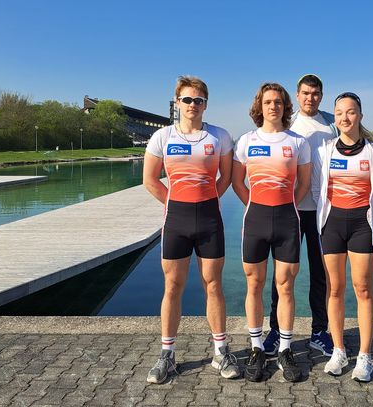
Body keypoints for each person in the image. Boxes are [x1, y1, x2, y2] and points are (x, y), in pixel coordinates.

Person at [143, 76, 239, 383]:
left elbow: (226, 177)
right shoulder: (162, 137)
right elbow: (150, 180)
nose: (192, 105)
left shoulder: (220, 136)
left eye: (198, 100)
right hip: (176, 220)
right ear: (177, 103)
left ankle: (221, 352)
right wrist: (177, 203)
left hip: (209, 218)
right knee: (173, 286)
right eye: (187, 100)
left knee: (213, 285)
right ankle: (167, 356)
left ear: (206, 104)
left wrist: (205, 201)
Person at [232, 82, 311, 382]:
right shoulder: (246, 141)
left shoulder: (298, 142)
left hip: (288, 220)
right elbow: (238, 182)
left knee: (286, 286)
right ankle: (255, 347)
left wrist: (285, 204)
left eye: (278, 101)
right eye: (268, 102)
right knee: (254, 284)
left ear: (285, 106)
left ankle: (285, 349)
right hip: (255, 219)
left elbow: (303, 184)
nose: (273, 106)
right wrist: (255, 204)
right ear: (259, 106)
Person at [313, 91, 373, 381]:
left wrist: (372, 225)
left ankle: (365, 355)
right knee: (334, 289)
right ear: (334, 117)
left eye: (350, 112)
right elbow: (316, 189)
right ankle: (338, 350)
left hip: (362, 225)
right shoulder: (325, 151)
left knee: (363, 289)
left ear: (360, 115)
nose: (345, 118)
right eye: (339, 113)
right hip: (332, 224)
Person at [263, 74, 337, 358]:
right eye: (306, 93)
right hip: (290, 210)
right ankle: (276, 329)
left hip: (322, 211)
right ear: (297, 95)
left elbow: (361, 141)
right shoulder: (286, 123)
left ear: (321, 95)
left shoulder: (332, 121)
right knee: (282, 277)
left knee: (321, 274)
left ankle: (320, 331)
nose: (311, 98)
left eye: (316, 93)